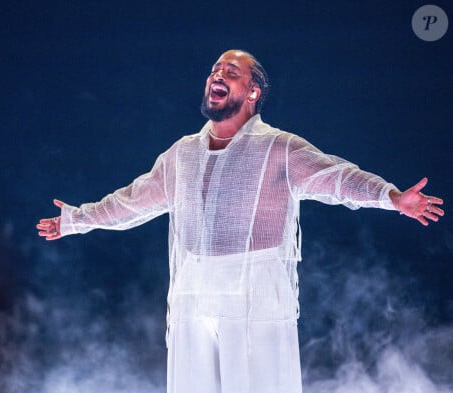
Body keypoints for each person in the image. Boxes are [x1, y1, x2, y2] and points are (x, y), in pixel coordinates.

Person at [36, 50, 444, 393]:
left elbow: (336, 178)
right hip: (192, 298)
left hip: (256, 297)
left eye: (231, 72)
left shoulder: (279, 147)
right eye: (215, 70)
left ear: (253, 92)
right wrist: (76, 220)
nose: (217, 74)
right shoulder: (182, 154)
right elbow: (132, 202)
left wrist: (390, 197)